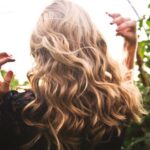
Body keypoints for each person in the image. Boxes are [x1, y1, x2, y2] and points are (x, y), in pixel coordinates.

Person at [0, 0, 146, 150]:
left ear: (40, 50)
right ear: (93, 42)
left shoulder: (21, 111)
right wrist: (130, 46)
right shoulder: (116, 105)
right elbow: (125, 89)